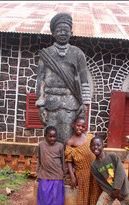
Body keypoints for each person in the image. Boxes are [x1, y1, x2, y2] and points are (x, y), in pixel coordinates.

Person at [36, 12, 91, 144]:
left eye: (65, 30)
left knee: (68, 140)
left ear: (71, 33)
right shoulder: (46, 54)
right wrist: (41, 105)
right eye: (59, 30)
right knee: (51, 140)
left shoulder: (77, 53)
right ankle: (51, 165)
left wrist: (84, 103)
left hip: (71, 104)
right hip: (51, 103)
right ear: (53, 33)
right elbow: (41, 80)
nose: (62, 33)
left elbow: (84, 80)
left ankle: (67, 165)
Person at [65, 116, 101, 205]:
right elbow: (69, 161)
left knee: (95, 193)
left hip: (94, 171)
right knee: (83, 195)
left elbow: (98, 151)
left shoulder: (90, 137)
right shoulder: (70, 142)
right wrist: (72, 176)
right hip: (82, 172)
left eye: (83, 126)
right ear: (73, 125)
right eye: (78, 125)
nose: (80, 128)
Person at [36, 125, 66, 205]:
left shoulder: (60, 146)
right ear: (45, 136)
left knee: (55, 198)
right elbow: (39, 159)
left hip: (57, 176)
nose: (52, 139)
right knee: (44, 196)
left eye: (54, 137)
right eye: (50, 137)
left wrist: (64, 173)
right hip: (44, 175)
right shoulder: (41, 145)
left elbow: (63, 161)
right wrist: (37, 172)